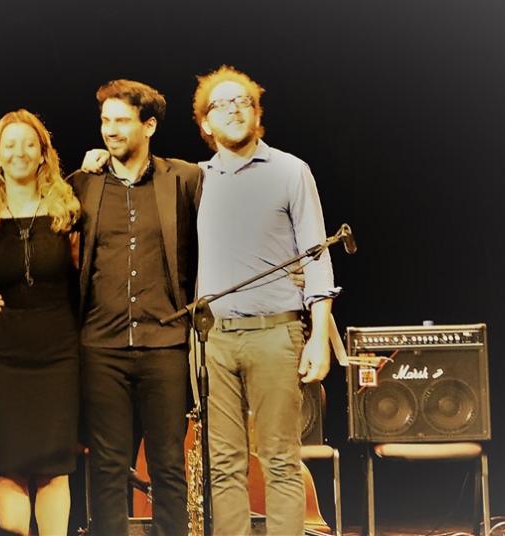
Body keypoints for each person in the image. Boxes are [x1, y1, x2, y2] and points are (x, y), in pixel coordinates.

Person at [0, 80, 201, 536]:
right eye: (105, 121)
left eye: (121, 120)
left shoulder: (184, 179)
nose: (110, 130)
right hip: (101, 344)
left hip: (164, 341)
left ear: (149, 126)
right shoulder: (82, 186)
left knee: (167, 465)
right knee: (107, 466)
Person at [192, 65, 339, 535]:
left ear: (257, 114)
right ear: (205, 122)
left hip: (276, 332)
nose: (234, 110)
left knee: (280, 459)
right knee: (224, 464)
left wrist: (318, 336)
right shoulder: (193, 180)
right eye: (221, 104)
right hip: (213, 339)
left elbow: (316, 256)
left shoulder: (291, 171)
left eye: (243, 102)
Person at [0, 109, 82, 536]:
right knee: (9, 467)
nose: (20, 152)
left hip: (59, 355)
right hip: (5, 358)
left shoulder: (67, 210)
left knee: (55, 468)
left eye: (29, 143)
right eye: (10, 145)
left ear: (43, 153)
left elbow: (86, 277)